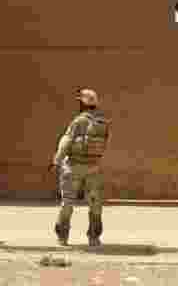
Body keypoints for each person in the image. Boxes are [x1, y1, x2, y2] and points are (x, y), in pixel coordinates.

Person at [51, 88, 110, 247]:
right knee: (95, 204)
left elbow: (66, 141)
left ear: (82, 104)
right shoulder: (103, 123)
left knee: (68, 203)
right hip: (93, 167)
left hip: (73, 167)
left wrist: (57, 161)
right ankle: (94, 238)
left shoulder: (79, 121)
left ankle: (62, 237)